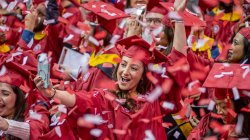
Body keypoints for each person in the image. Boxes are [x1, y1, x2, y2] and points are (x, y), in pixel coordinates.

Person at [0, 52, 50, 140]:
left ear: (20, 96)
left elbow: (37, 130)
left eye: (5, 93)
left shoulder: (36, 106)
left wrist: (5, 125)